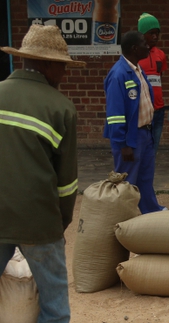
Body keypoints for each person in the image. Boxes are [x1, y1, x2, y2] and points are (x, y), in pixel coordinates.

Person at [0, 24, 85, 322]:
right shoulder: (60, 108)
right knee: (55, 309)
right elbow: (67, 183)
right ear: (47, 64)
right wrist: (58, 224)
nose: (65, 74)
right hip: (38, 220)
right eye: (62, 67)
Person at [103, 31, 166, 214]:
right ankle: (122, 218)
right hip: (130, 139)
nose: (148, 47)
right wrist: (123, 144)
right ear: (134, 48)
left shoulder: (138, 70)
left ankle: (150, 212)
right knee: (126, 182)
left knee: (145, 179)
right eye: (144, 44)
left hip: (145, 135)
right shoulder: (118, 74)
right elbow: (114, 114)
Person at [138, 12, 168, 154]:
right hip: (143, 110)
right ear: (142, 34)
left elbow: (159, 76)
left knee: (153, 151)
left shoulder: (160, 54)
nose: (155, 37)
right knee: (142, 149)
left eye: (157, 33)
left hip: (158, 109)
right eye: (151, 33)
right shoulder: (136, 55)